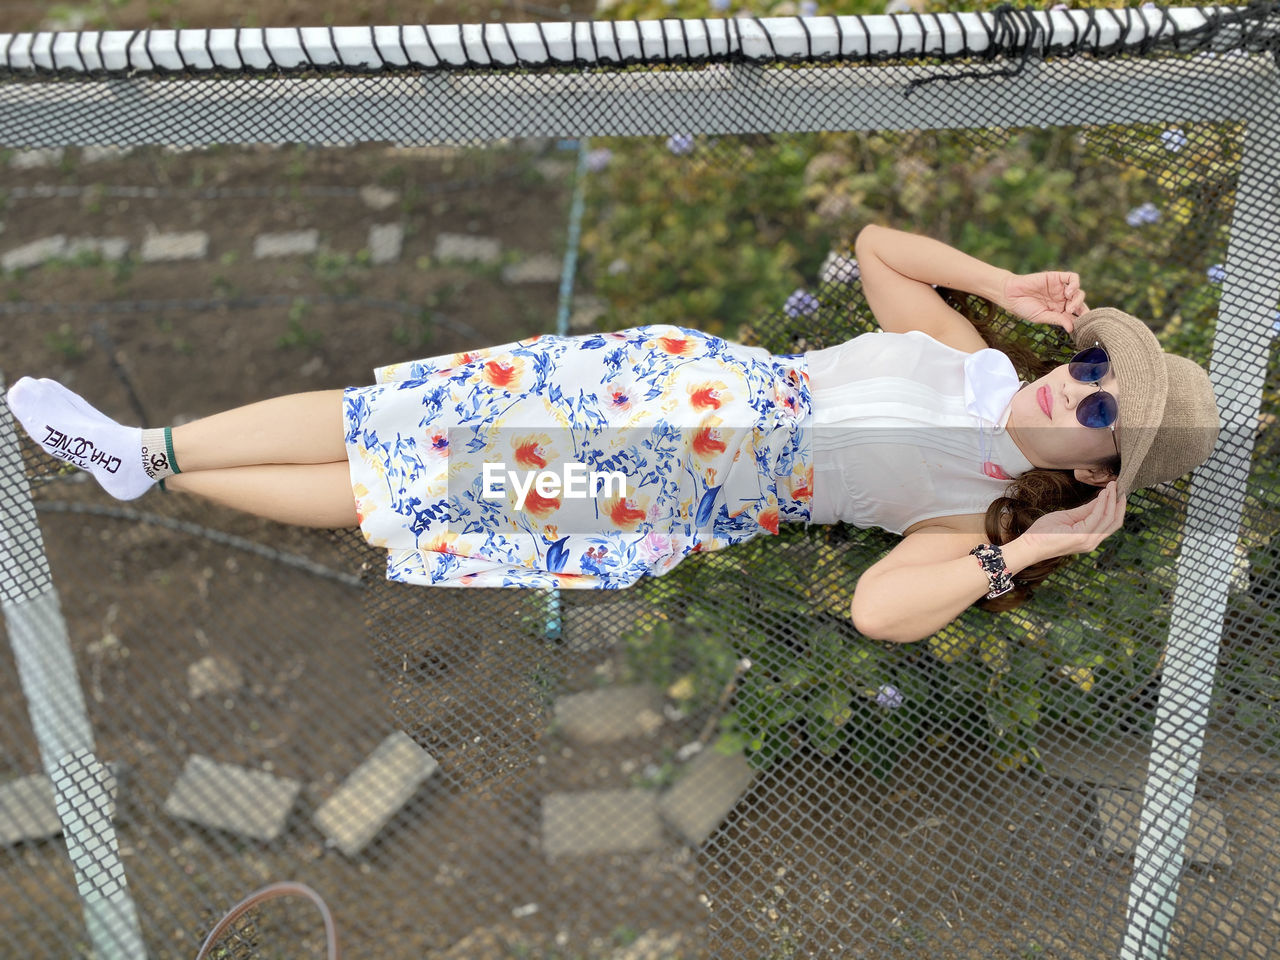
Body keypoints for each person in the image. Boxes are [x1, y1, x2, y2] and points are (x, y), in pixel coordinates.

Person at [4, 226, 1220, 643]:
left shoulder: (968, 513)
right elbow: (880, 252)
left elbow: (877, 613)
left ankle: (139, 472)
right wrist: (1003, 285)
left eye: (1103, 412)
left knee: (409, 494)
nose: (1079, 389)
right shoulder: (970, 357)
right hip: (648, 378)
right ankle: (146, 448)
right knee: (394, 416)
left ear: (1098, 467)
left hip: (668, 488)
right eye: (1097, 366)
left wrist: (1042, 547)